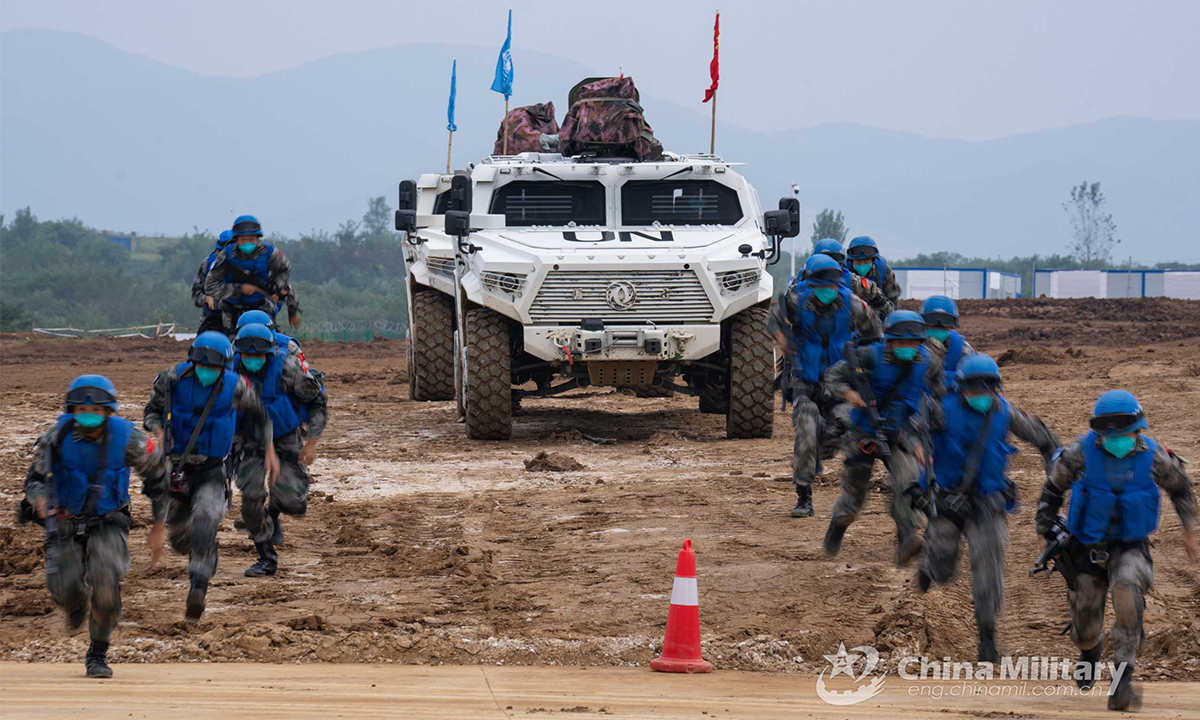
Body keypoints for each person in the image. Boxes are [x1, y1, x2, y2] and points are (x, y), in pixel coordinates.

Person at [1036, 390, 1198, 710]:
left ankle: (1122, 679)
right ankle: (1089, 651)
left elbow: (1181, 488)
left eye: (1123, 433)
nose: (1116, 439)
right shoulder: (1081, 452)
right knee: (1085, 628)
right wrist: (1043, 529)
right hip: (1085, 547)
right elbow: (1053, 488)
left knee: (1127, 594)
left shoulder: (1154, 457)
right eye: (1109, 434)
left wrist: (1189, 531)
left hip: (1130, 547)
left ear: (1139, 430)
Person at [909, 355, 1059, 662]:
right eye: (972, 389)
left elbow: (1041, 436)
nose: (979, 395)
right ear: (961, 388)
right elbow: (912, 430)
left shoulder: (1005, 412)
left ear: (996, 388)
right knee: (941, 566)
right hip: (948, 500)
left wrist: (1054, 462)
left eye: (986, 389)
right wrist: (917, 447)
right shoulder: (940, 410)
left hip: (987, 502)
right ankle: (928, 565)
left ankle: (987, 637)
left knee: (988, 570)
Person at [19, 376, 167, 678]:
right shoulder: (54, 438)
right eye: (82, 408)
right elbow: (33, 480)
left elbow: (159, 477)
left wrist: (159, 525)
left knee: (107, 589)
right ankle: (74, 604)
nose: (89, 414)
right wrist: (39, 501)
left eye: (97, 410)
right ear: (72, 410)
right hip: (64, 522)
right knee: (64, 589)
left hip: (108, 521)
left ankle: (97, 654)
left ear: (109, 412)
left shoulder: (129, 438)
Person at [142, 332, 278, 619]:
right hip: (176, 469)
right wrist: (158, 429)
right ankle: (203, 552)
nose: (208, 373)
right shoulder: (171, 379)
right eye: (203, 367)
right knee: (181, 540)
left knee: (206, 521)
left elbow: (261, 415)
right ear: (192, 363)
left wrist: (269, 449)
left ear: (225, 367)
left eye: (214, 368)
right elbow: (151, 412)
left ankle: (198, 589)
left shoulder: (237, 386)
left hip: (212, 469)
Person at [823, 309, 944, 564]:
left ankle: (907, 539)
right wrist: (849, 394)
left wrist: (926, 437)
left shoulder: (928, 361)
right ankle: (839, 524)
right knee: (854, 501)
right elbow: (833, 375)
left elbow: (938, 389)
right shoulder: (870, 357)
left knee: (907, 482)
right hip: (863, 434)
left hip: (900, 433)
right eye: (902, 342)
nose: (908, 347)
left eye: (913, 343)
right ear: (890, 340)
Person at [769, 254, 881, 518]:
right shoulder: (796, 302)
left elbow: (875, 334)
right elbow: (772, 320)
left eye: (830, 286)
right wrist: (782, 340)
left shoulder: (854, 305)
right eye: (820, 286)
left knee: (845, 428)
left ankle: (841, 476)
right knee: (806, 429)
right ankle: (804, 495)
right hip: (806, 382)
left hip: (841, 385)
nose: (825, 292)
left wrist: (865, 361)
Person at [231, 323, 327, 577]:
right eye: (247, 355)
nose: (252, 360)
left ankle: (272, 514)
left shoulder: (288, 368)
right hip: (249, 438)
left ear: (270, 353)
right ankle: (266, 558)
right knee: (251, 498)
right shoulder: (228, 370)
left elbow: (317, 401)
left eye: (258, 355)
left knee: (293, 501)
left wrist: (312, 442)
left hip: (285, 435)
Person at [203, 215, 298, 333]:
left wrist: (278, 288)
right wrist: (240, 289)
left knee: (267, 338)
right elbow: (210, 286)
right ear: (236, 239)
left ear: (258, 238)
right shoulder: (225, 256)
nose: (247, 243)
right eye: (243, 239)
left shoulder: (269, 252)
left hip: (261, 307)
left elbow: (284, 270)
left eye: (251, 239)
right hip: (231, 310)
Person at [921, 295, 973, 388]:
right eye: (932, 322)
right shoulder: (913, 344)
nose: (938, 326)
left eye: (944, 324)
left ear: (952, 326)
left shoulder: (961, 347)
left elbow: (974, 373)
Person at [844, 236, 900, 321]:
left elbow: (893, 302)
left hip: (878, 319)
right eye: (858, 261)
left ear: (873, 260)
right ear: (851, 260)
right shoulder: (844, 272)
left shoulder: (884, 271)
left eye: (866, 260)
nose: (862, 264)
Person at [192, 230, 234, 335]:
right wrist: (206, 298)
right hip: (211, 319)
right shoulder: (207, 265)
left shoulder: (247, 266)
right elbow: (196, 292)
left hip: (236, 320)